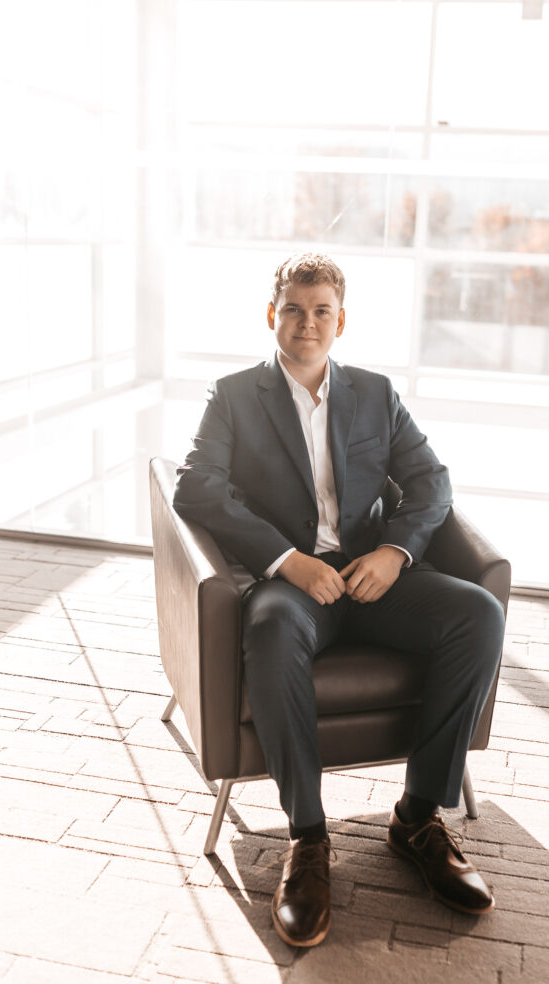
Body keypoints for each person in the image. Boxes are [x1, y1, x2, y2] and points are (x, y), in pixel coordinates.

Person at [172, 253, 505, 948]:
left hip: (373, 577)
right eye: (293, 309)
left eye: (321, 310)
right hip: (293, 586)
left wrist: (394, 552)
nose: (306, 323)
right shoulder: (234, 396)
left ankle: (416, 819)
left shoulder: (375, 394)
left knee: (476, 613)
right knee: (268, 635)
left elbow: (431, 484)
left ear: (340, 321)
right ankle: (308, 840)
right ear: (272, 315)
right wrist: (284, 560)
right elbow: (196, 487)